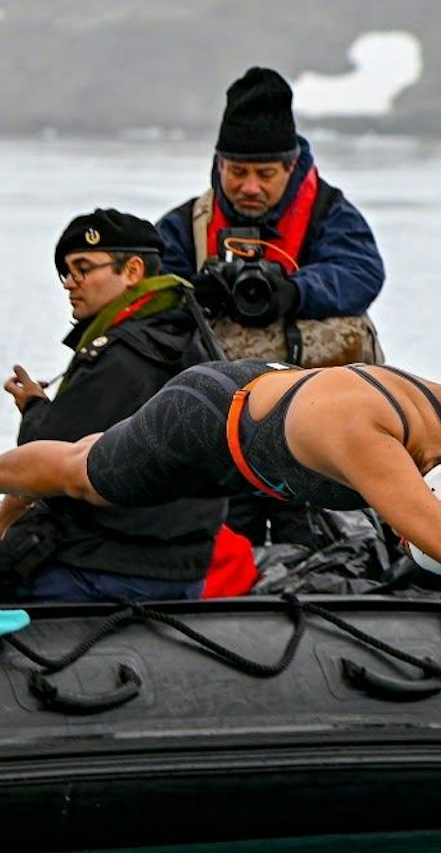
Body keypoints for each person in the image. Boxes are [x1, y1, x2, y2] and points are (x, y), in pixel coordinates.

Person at [0, 360, 441, 709]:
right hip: (206, 421)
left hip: (262, 405)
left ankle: (12, 493)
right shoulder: (371, 448)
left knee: (95, 454)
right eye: (413, 538)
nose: (405, 541)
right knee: (87, 472)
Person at [0, 209, 224, 603]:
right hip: (180, 566)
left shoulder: (122, 356)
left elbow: (50, 460)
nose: (71, 283)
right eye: (66, 273)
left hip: (109, 566)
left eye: (82, 269)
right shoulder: (192, 340)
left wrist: (33, 411)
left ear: (133, 271)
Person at [157, 66, 387, 549]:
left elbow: (364, 273)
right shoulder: (185, 225)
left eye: (265, 174)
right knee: (227, 536)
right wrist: (198, 290)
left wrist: (296, 291)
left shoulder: (330, 213)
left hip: (315, 428)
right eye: (237, 172)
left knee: (314, 540)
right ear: (219, 165)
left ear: (291, 165)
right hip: (222, 431)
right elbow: (152, 295)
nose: (250, 187)